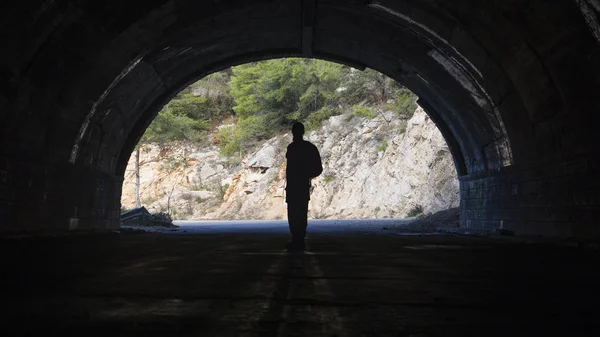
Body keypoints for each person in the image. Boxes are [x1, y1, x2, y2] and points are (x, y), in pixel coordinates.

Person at [285, 122, 322, 251]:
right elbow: (318, 169)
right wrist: (307, 175)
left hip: (293, 186)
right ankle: (299, 239)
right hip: (301, 186)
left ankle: (297, 239)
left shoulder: (292, 148)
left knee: (293, 213)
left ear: (293, 132)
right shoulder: (310, 148)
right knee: (301, 212)